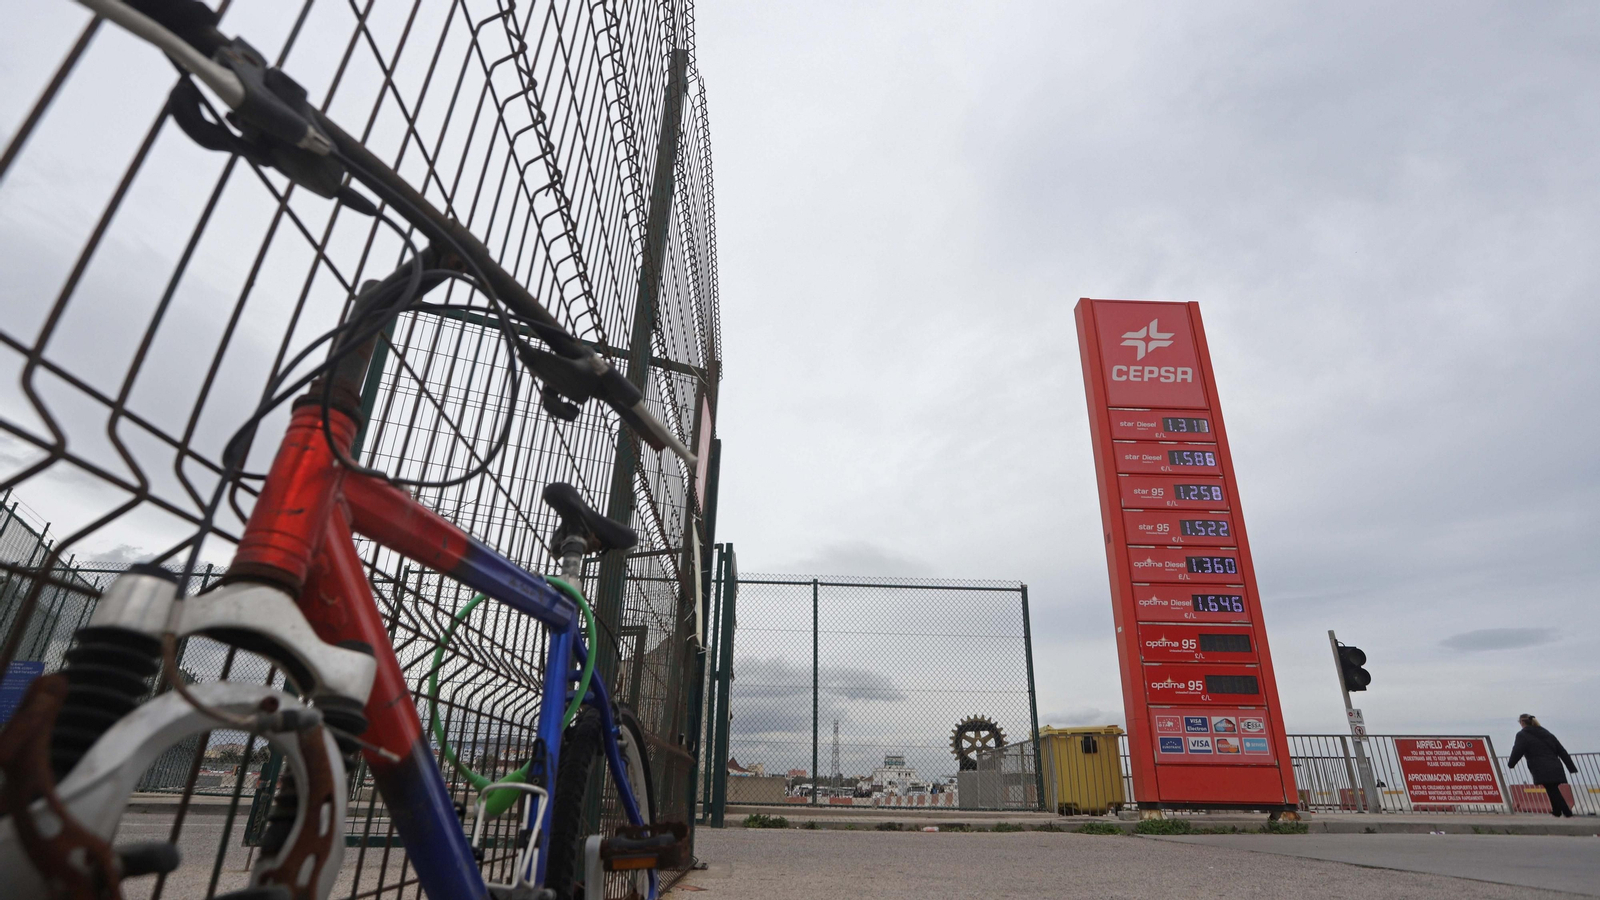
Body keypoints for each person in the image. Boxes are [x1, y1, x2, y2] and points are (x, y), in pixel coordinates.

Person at [1507, 714, 1579, 817]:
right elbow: (1561, 751)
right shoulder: (1547, 733)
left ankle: (1567, 812)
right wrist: (1571, 767)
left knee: (1552, 789)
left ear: (1522, 723)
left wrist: (1511, 764)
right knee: (1552, 788)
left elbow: (1517, 750)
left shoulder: (1522, 735)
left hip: (1540, 767)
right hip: (1555, 765)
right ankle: (1556, 811)